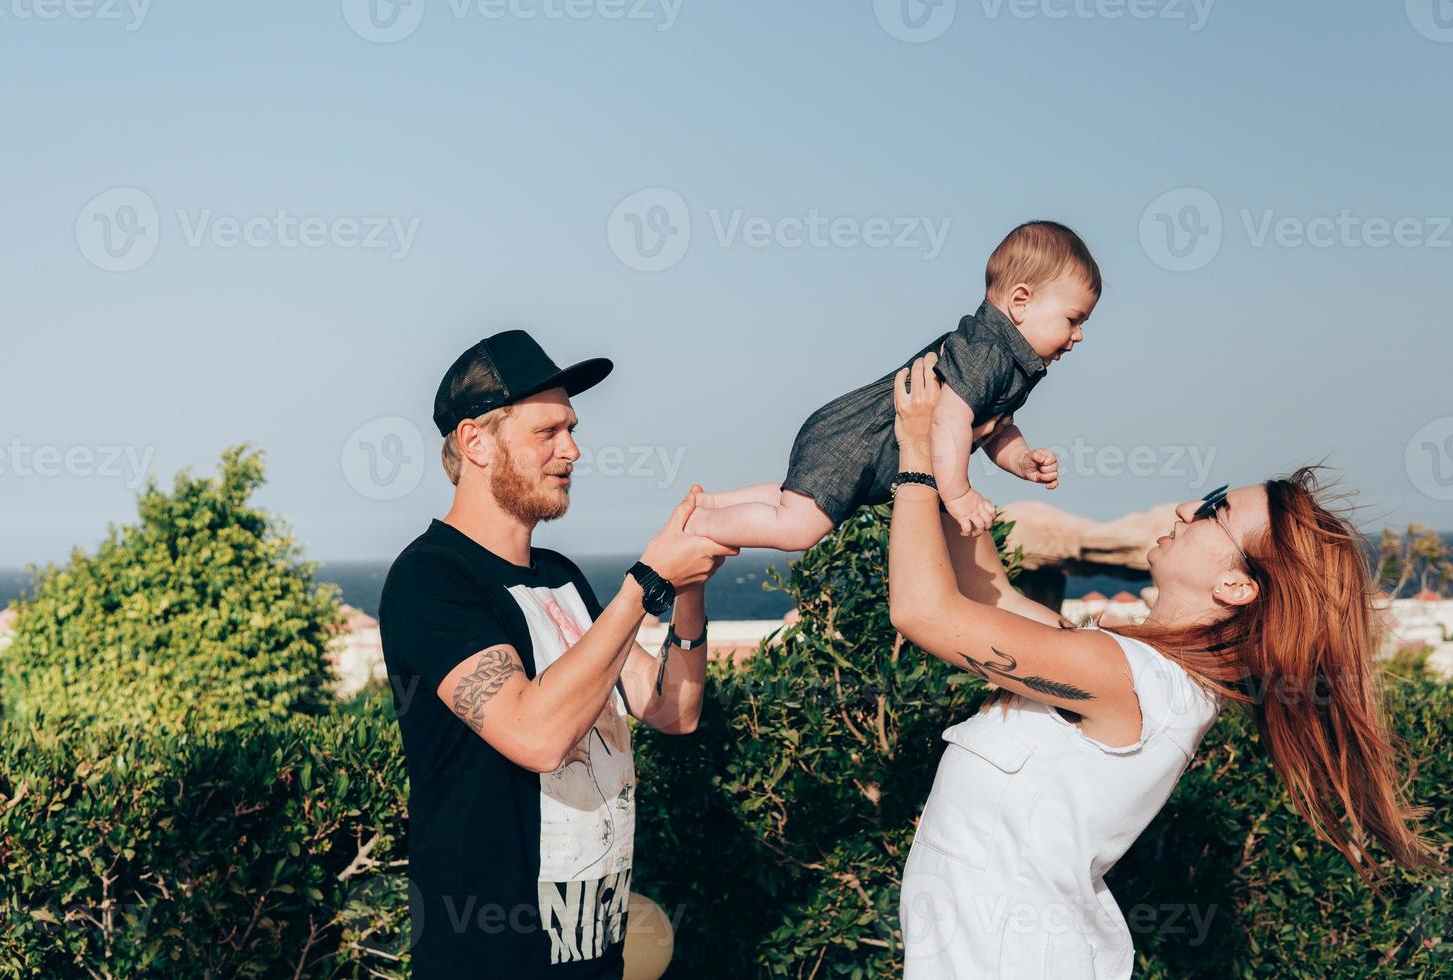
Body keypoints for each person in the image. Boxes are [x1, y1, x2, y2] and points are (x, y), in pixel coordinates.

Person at [884, 354, 1444, 977]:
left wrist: (913, 454)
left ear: (1236, 586)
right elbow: (988, 599)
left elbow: (922, 610)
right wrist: (949, 454)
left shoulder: (1134, 679)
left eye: (1214, 511)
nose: (1185, 508)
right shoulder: (1136, 670)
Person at [378, 330, 737, 978]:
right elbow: (534, 735)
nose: (573, 450)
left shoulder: (562, 576)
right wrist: (645, 581)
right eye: (548, 432)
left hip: (593, 954)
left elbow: (669, 712)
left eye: (570, 429)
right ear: (475, 442)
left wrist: (686, 596)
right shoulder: (432, 579)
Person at [684, 220, 1100, 551]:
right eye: (1073, 319)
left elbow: (994, 429)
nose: (1079, 335)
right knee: (798, 530)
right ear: (1021, 302)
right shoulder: (987, 349)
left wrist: (1021, 458)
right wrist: (958, 495)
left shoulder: (1013, 364)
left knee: (800, 502)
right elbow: (950, 421)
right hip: (856, 441)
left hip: (855, 443)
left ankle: (714, 505)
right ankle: (702, 526)